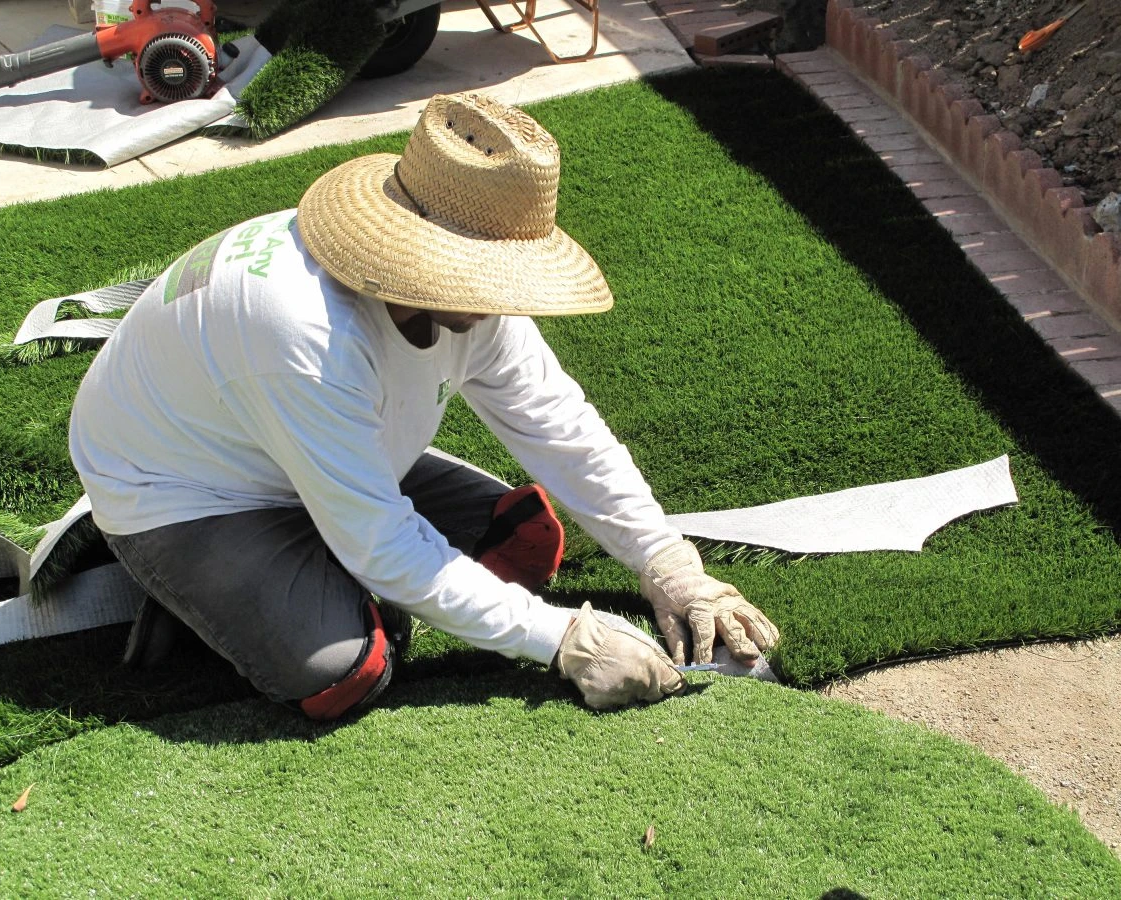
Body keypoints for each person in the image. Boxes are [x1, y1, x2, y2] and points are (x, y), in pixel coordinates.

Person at [68, 91, 780, 719]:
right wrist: (563, 641)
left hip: (289, 435)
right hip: (181, 492)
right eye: (482, 273)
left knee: (524, 543)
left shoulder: (474, 304)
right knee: (341, 673)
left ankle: (299, 561)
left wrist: (670, 566)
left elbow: (558, 424)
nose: (500, 295)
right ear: (413, 249)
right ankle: (183, 589)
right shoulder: (305, 332)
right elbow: (381, 546)